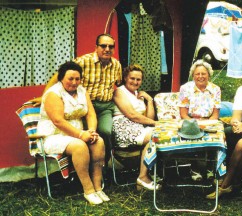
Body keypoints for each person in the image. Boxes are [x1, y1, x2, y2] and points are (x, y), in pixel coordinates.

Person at [30, 34, 122, 163]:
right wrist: (44, 96)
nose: (107, 49)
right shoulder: (83, 61)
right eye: (103, 46)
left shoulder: (117, 65)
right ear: (96, 47)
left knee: (105, 132)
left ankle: (102, 166)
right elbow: (60, 75)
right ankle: (84, 168)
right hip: (84, 106)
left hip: (105, 106)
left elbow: (118, 85)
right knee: (84, 137)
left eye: (111, 46)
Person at [37, 61, 109, 205]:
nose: (74, 82)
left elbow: (90, 115)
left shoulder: (82, 91)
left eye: (77, 79)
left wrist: (92, 131)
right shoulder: (53, 93)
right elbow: (58, 121)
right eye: (70, 78)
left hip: (77, 133)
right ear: (61, 78)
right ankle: (88, 190)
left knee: (99, 142)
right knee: (79, 146)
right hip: (54, 136)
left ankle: (97, 186)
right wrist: (81, 135)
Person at [112, 64, 161, 190]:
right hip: (123, 127)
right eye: (132, 78)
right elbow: (132, 115)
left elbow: (149, 118)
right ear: (125, 78)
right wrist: (155, 123)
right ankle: (143, 176)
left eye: (138, 79)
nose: (135, 82)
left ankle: (146, 174)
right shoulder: (119, 91)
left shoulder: (137, 94)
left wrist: (149, 100)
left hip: (137, 127)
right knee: (155, 134)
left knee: (159, 133)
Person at [178, 59, 221, 181]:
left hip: (209, 120)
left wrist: (207, 124)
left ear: (209, 75)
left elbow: (215, 114)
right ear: (193, 75)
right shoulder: (185, 89)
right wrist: (194, 124)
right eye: (197, 74)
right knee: (192, 133)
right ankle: (194, 168)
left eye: (204, 74)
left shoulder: (215, 89)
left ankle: (210, 167)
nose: (200, 76)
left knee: (215, 134)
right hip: (190, 120)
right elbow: (183, 113)